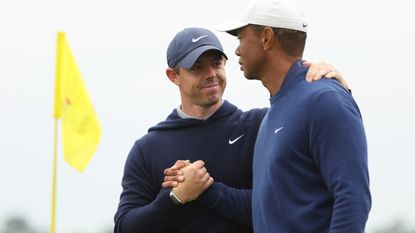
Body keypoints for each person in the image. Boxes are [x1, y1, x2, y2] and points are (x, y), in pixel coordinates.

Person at [114, 27, 348, 233]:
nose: (211, 75)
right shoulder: (148, 149)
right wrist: (176, 196)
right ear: (173, 76)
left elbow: (282, 206)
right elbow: (125, 227)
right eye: (197, 67)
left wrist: (337, 88)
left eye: (216, 63)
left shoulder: (261, 125)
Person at [212, 0, 371, 232]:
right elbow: (268, 207)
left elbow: (353, 198)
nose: (236, 50)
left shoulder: (324, 99)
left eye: (240, 38)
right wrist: (207, 191)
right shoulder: (277, 110)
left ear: (266, 38)